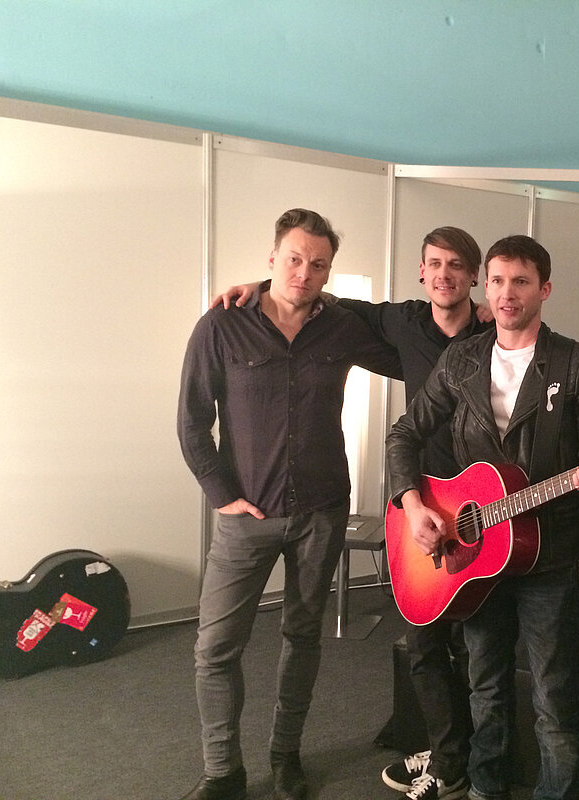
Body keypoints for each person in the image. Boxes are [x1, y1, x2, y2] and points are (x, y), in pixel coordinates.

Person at [215, 226, 491, 800]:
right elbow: (322, 297)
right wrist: (260, 287)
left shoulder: (496, 332)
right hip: (421, 500)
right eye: (435, 264)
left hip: (485, 500)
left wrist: (498, 308)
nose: (444, 274)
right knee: (423, 644)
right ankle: (449, 756)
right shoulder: (401, 321)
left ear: (473, 276)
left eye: (457, 265)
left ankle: (479, 764)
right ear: (421, 271)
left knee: (482, 645)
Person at [176, 208, 403, 800]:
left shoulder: (341, 327)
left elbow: (414, 356)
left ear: (329, 272)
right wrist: (222, 496)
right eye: (295, 259)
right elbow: (192, 421)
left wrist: (472, 316)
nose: (304, 272)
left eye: (318, 264)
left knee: (302, 637)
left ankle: (286, 756)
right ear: (272, 258)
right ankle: (223, 772)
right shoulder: (222, 325)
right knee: (215, 649)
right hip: (246, 517)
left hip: (321, 512)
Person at [385, 235, 579, 800]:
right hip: (475, 560)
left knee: (554, 699)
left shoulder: (576, 363)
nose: (507, 293)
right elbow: (405, 433)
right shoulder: (461, 359)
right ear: (484, 287)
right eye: (497, 280)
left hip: (547, 557)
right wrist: (412, 504)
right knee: (484, 688)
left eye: (521, 281)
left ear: (545, 289)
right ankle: (485, 789)